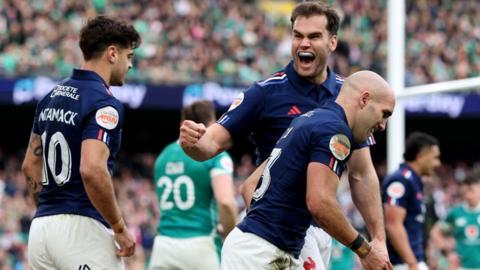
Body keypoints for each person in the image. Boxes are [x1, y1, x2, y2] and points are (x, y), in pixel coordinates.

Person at [179, 1, 389, 269]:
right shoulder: (266, 93)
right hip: (277, 225)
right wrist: (193, 141)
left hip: (322, 225)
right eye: (297, 35)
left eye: (314, 36)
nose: (304, 44)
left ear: (332, 42)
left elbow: (361, 172)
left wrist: (379, 239)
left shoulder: (349, 95)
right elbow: (210, 143)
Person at [219, 70, 395, 269]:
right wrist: (365, 250)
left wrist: (278, 229)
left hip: (262, 248)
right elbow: (320, 202)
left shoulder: (309, 120)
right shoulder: (335, 130)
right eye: (385, 114)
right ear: (364, 100)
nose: (383, 125)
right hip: (261, 252)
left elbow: (249, 185)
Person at [21, 16, 141, 269]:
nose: (130, 65)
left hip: (41, 230)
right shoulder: (104, 103)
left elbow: (30, 165)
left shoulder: (50, 97)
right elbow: (92, 170)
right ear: (112, 54)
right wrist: (119, 227)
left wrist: (49, 210)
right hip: (81, 230)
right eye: (129, 56)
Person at [149, 100, 237, 270]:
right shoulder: (216, 156)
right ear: (213, 122)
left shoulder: (163, 157)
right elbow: (225, 201)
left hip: (163, 245)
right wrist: (230, 234)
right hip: (201, 243)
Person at [382, 132, 441, 270]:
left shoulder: (414, 180)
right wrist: (412, 264)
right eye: (435, 158)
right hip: (401, 263)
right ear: (420, 156)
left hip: (411, 261)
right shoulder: (401, 180)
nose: (438, 163)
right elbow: (393, 224)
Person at [430, 169, 480, 270]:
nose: (468, 195)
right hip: (460, 266)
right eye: (465, 191)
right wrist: (447, 250)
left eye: (471, 190)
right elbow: (435, 232)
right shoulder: (456, 213)